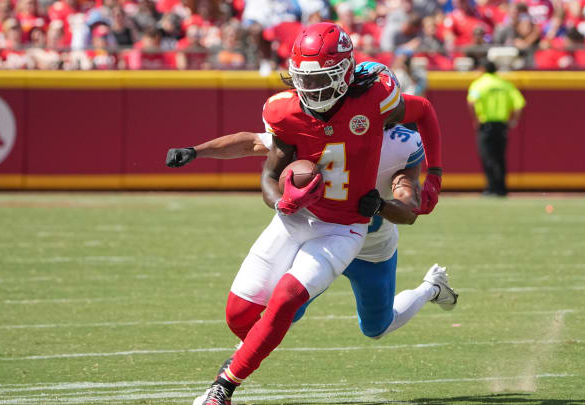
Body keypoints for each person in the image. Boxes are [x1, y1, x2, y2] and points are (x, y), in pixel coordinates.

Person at [171, 23, 445, 405]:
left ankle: (223, 387)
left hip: (354, 232)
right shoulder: (290, 112)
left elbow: (423, 119)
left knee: (322, 311)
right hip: (299, 219)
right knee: (241, 316)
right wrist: (280, 199)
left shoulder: (393, 128)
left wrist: (424, 181)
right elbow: (262, 158)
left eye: (323, 81)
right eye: (307, 81)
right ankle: (247, 356)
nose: (313, 91)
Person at [467, 59, 525, 197]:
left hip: (485, 124)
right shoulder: (505, 84)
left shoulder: (479, 84)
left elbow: (471, 102)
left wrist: (475, 119)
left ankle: (491, 187)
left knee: (487, 157)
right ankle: (501, 188)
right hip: (502, 125)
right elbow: (519, 104)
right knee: (500, 157)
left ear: (482, 69)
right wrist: (514, 121)